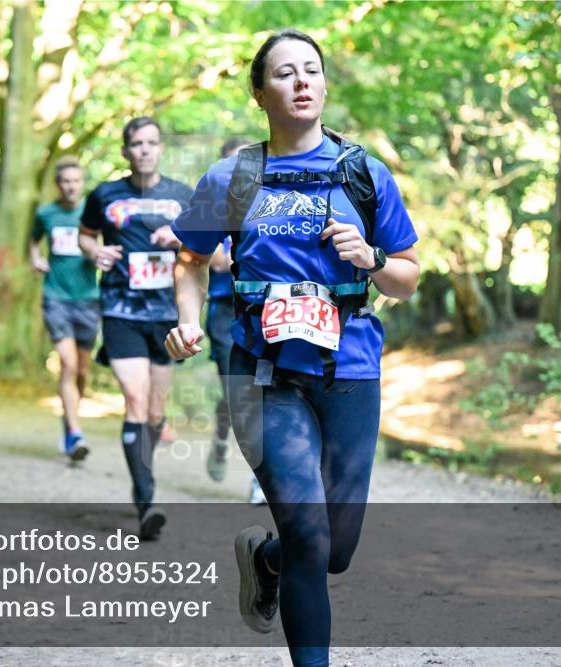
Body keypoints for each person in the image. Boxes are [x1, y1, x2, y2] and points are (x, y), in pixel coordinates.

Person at [167, 31, 419, 667]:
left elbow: (408, 277)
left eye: (312, 70)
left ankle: (265, 557)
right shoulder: (232, 176)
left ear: (325, 85)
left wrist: (372, 258)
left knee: (335, 548)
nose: (302, 81)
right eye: (285, 73)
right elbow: (189, 261)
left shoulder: (364, 172)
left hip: (350, 364)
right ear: (261, 93)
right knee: (309, 530)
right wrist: (188, 321)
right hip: (260, 369)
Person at [79, 117, 194, 539]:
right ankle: (147, 500)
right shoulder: (105, 194)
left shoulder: (183, 195)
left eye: (151, 143)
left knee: (156, 412)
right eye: (136, 144)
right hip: (121, 308)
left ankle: (141, 479)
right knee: (135, 399)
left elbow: (205, 249)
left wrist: (179, 237)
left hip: (166, 312)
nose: (144, 150)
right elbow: (85, 235)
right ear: (125, 151)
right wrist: (96, 251)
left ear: (161, 148)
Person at [202, 138, 267, 506]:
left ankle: (262, 479)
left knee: (263, 394)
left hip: (267, 311)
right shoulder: (214, 206)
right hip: (227, 311)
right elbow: (213, 261)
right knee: (237, 393)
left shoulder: (274, 202)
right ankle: (221, 438)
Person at [30, 156, 99, 461]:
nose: (71, 186)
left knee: (82, 370)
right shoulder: (46, 213)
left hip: (88, 297)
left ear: (82, 183)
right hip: (55, 296)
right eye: (65, 181)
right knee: (68, 364)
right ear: (58, 185)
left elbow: (110, 243)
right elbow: (32, 242)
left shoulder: (94, 212)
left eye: (76, 181)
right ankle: (74, 432)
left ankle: (70, 420)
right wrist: (35, 258)